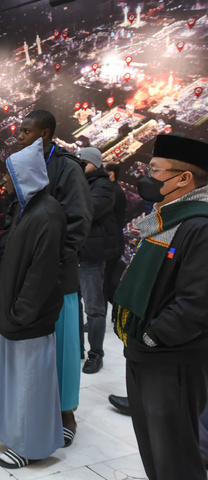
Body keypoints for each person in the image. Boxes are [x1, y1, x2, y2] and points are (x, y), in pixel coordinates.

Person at [113, 135, 208, 480]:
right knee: (153, 446)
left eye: (155, 171)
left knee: (175, 453)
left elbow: (197, 304)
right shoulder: (167, 218)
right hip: (144, 352)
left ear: (184, 178)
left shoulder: (199, 224)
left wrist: (153, 338)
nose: (147, 179)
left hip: (171, 358)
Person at [0, 137, 66, 469]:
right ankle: (10, 431)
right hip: (15, 311)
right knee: (12, 378)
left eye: (11, 175)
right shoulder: (29, 207)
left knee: (31, 383)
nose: (5, 182)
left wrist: (19, 314)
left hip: (29, 317)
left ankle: (30, 446)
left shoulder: (47, 215)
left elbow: (41, 275)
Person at [17, 110, 92, 446]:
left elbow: (78, 223)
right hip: (27, 272)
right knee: (33, 345)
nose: (19, 136)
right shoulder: (23, 164)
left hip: (58, 275)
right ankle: (36, 404)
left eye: (26, 131)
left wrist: (50, 260)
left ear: (45, 134)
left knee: (62, 347)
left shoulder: (68, 168)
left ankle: (66, 413)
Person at [76, 147, 118, 374]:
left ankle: (96, 354)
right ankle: (77, 349)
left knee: (94, 308)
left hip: (91, 255)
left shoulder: (104, 185)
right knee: (72, 305)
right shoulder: (78, 182)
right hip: (73, 253)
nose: (80, 165)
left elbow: (88, 210)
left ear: (95, 163)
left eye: (84, 162)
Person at [102, 162, 127, 304]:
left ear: (111, 174)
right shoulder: (115, 190)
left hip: (111, 243)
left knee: (104, 284)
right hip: (112, 242)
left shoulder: (113, 192)